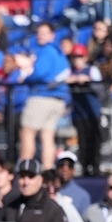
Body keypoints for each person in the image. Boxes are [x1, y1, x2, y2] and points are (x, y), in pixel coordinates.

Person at [17, 23, 71, 169]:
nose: (40, 36)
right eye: (39, 33)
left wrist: (26, 77)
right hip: (58, 99)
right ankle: (48, 171)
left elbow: (40, 73)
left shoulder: (47, 51)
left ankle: (25, 169)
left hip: (41, 96)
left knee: (27, 133)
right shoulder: (59, 52)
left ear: (52, 35)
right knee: (47, 136)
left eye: (44, 33)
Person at [66, 46, 103, 178]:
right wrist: (69, 81)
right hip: (78, 114)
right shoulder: (69, 72)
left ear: (85, 58)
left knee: (95, 142)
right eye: (75, 57)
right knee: (83, 143)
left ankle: (96, 169)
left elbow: (101, 89)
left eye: (80, 57)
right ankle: (86, 169)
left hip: (93, 113)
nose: (77, 60)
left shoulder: (92, 70)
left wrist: (88, 81)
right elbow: (55, 83)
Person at [55, 151, 92, 215]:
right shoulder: (49, 191)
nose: (65, 169)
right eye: (61, 165)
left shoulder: (83, 196)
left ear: (73, 170)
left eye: (70, 165)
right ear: (56, 168)